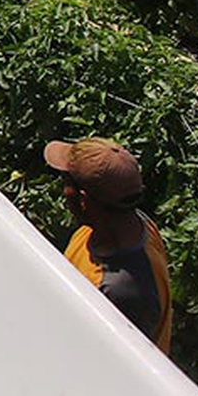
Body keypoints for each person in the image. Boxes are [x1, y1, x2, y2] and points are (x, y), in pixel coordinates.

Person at [45, 136, 173, 353]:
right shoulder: (136, 224)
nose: (63, 191)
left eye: (66, 182)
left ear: (83, 200)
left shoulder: (118, 291)